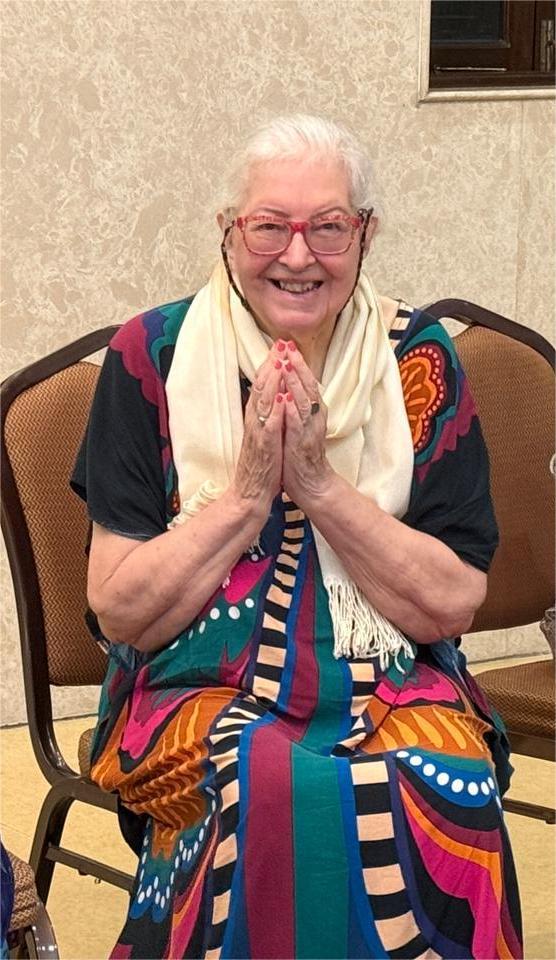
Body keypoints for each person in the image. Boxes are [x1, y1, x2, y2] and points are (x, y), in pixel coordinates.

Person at [71, 114, 522, 959]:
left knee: (448, 783)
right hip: (193, 678)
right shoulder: (153, 356)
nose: (298, 254)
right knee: (260, 784)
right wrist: (246, 495)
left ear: (366, 234)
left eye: (329, 227)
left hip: (395, 672)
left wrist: (317, 487)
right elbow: (121, 609)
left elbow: (451, 601)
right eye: (269, 226)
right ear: (229, 233)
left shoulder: (416, 362)